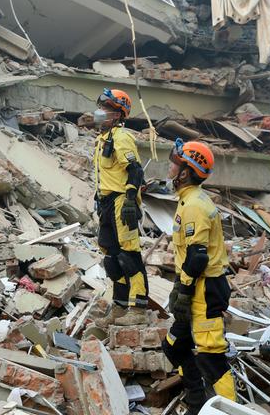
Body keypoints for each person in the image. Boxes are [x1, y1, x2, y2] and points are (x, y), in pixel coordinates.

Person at [162, 139, 235, 414]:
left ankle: (229, 410)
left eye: (176, 162)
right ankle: (197, 401)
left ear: (186, 171)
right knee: (174, 345)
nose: (170, 166)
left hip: (204, 288)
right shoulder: (189, 199)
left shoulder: (194, 205)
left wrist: (184, 289)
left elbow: (198, 258)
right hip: (194, 284)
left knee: (211, 359)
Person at [93, 88, 149, 327]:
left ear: (117, 115)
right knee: (112, 257)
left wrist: (129, 199)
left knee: (129, 256)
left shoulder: (121, 137)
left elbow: (135, 170)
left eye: (105, 109)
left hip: (120, 203)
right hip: (106, 203)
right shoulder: (102, 139)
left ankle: (139, 308)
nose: (100, 113)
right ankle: (120, 305)